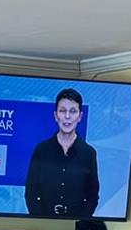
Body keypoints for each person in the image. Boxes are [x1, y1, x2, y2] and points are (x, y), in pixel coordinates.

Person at [23, 88, 100, 219]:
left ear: (80, 116)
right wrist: (40, 219)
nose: (67, 116)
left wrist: (80, 220)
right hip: (43, 221)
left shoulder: (89, 153)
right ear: (55, 115)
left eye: (73, 111)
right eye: (63, 111)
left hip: (76, 223)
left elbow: (92, 196)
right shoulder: (41, 150)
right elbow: (31, 192)